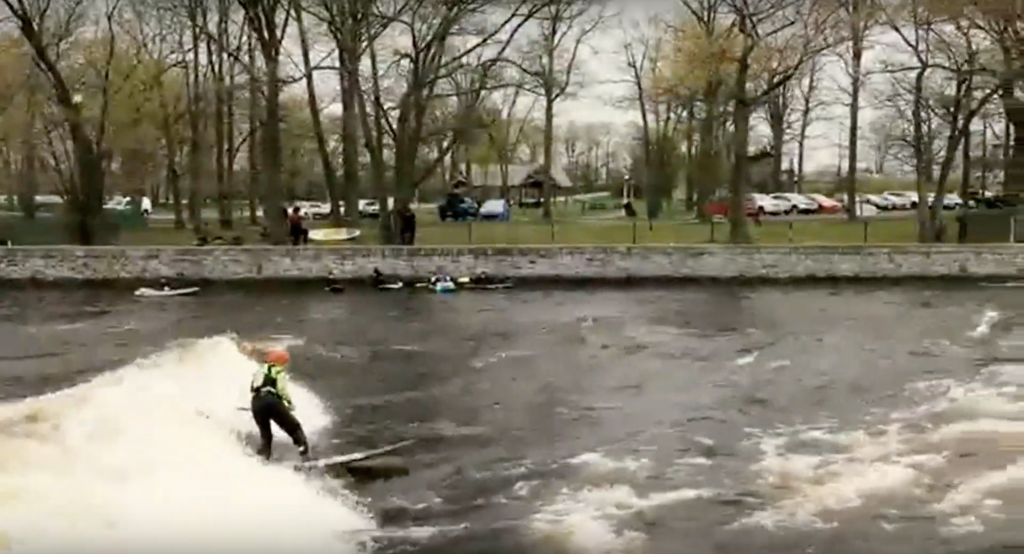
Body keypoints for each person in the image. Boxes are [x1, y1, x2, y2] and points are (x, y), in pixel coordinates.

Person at [247, 348, 311, 461]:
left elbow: (253, 389)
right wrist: (289, 404)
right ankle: (304, 452)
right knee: (294, 427)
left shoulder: (260, 370)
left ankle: (263, 457)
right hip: (270, 401)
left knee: (266, 434)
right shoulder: (278, 371)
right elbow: (282, 390)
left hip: (256, 403)